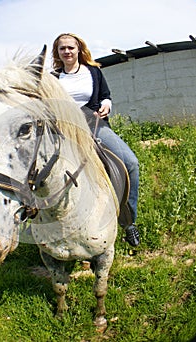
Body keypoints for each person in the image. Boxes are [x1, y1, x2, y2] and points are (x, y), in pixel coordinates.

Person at [51, 33, 140, 246]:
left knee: (130, 163)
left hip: (94, 125)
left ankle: (129, 222)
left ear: (79, 49)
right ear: (58, 52)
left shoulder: (93, 71)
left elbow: (105, 95)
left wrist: (107, 103)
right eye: (62, 48)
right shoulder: (53, 78)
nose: (67, 52)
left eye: (70, 47)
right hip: (64, 130)